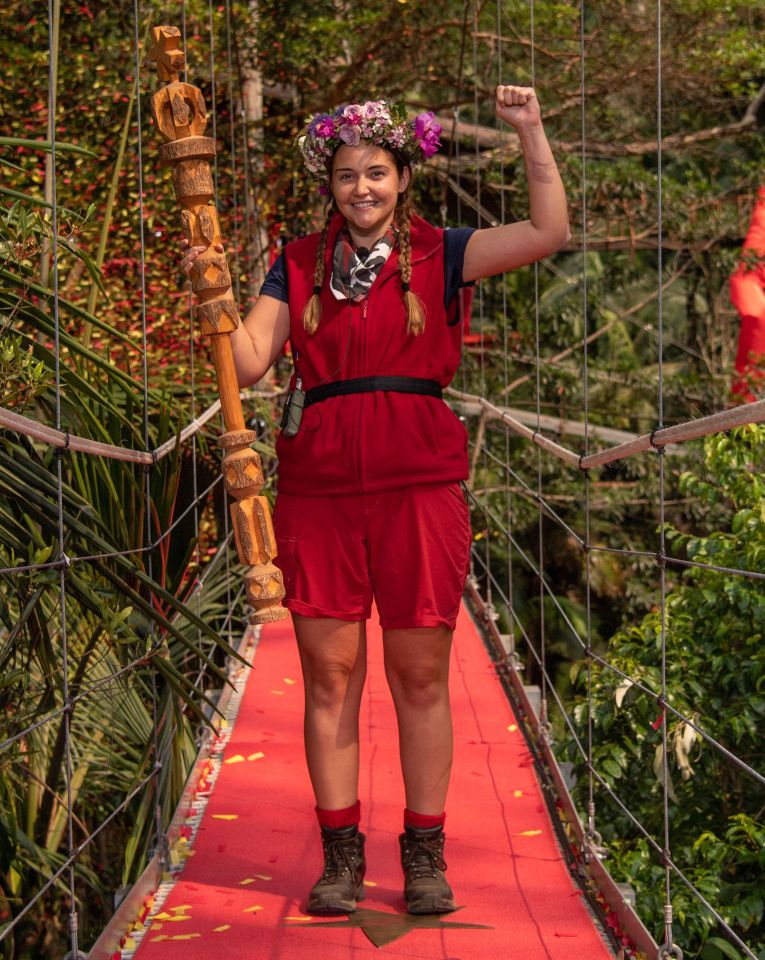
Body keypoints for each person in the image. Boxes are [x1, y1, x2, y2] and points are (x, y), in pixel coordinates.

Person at [181, 85, 569, 917]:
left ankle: (424, 853)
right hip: (318, 491)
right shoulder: (293, 262)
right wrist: (214, 301)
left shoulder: (444, 253)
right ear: (329, 183)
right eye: (347, 175)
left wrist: (530, 129)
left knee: (420, 674)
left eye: (377, 173)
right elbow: (248, 363)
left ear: (401, 179)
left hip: (420, 486)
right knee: (329, 672)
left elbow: (547, 232)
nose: (362, 188)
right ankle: (340, 855)